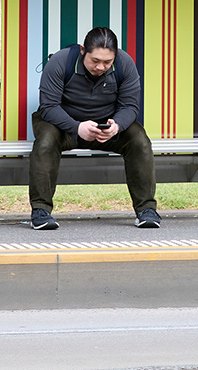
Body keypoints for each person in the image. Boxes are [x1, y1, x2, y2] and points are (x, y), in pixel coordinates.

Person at [29, 26, 159, 230]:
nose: (101, 67)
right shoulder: (61, 62)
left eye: (107, 62)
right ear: (83, 51)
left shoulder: (125, 64)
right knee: (45, 140)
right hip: (64, 125)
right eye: (95, 61)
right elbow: (49, 106)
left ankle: (146, 210)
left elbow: (130, 106)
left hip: (105, 127)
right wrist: (76, 127)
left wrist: (117, 126)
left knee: (139, 138)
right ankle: (40, 211)